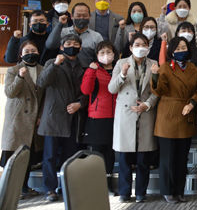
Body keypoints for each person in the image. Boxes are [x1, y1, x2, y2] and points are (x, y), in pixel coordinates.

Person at [108, 33, 159, 203]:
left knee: (143, 158)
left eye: (144, 44)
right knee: (124, 159)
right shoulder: (121, 63)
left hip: (145, 113)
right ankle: (124, 192)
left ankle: (141, 193)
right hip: (126, 114)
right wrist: (122, 74)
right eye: (137, 44)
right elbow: (111, 89)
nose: (141, 47)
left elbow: (157, 90)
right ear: (130, 47)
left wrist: (147, 104)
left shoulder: (154, 64)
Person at [152, 37, 197, 203]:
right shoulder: (166, 68)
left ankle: (180, 190)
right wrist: (154, 76)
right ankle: (167, 190)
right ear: (172, 51)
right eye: (178, 48)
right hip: (168, 116)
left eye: (184, 47)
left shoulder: (193, 68)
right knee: (168, 158)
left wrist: (193, 103)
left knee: (182, 157)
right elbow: (159, 90)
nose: (182, 51)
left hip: (186, 114)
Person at [37, 34, 86, 202]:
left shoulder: (83, 66)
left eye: (75, 44)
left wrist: (80, 104)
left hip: (73, 117)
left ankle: (66, 187)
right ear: (61, 47)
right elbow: (42, 82)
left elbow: (87, 91)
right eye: (68, 43)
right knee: (49, 156)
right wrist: (56, 64)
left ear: (80, 48)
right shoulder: (52, 63)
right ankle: (50, 189)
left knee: (70, 156)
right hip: (53, 117)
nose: (72, 46)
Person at [1, 40, 45, 199]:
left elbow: (45, 96)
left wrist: (40, 116)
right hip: (18, 119)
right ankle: (9, 189)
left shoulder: (43, 70)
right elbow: (10, 92)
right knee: (13, 156)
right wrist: (20, 77)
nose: (30, 53)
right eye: (26, 51)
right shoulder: (14, 70)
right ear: (21, 54)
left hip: (34, 118)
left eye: (33, 50)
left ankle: (24, 188)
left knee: (28, 156)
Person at [80, 41, 118, 194]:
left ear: (114, 54)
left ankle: (108, 184)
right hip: (97, 117)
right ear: (97, 55)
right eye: (102, 53)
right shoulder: (93, 69)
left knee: (110, 153)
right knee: (96, 153)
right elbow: (85, 90)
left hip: (116, 117)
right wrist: (91, 71)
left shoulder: (119, 68)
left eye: (109, 52)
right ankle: (95, 185)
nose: (106, 55)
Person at [46, 3, 104, 68]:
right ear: (72, 16)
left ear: (90, 16)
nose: (81, 18)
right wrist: (60, 24)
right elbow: (50, 45)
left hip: (87, 72)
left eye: (85, 15)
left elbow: (102, 58)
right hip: (64, 71)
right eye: (78, 15)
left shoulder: (96, 36)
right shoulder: (63, 32)